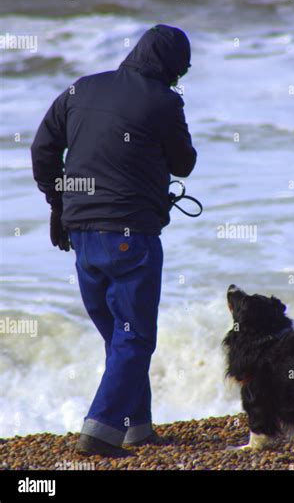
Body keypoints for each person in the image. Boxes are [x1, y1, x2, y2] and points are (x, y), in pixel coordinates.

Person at [31, 24, 197, 457]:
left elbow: (42, 149)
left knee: (119, 335)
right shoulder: (163, 100)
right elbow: (185, 164)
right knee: (135, 337)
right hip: (130, 235)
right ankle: (101, 431)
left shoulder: (81, 88)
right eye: (181, 70)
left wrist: (58, 203)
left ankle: (134, 426)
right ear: (173, 67)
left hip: (81, 231)